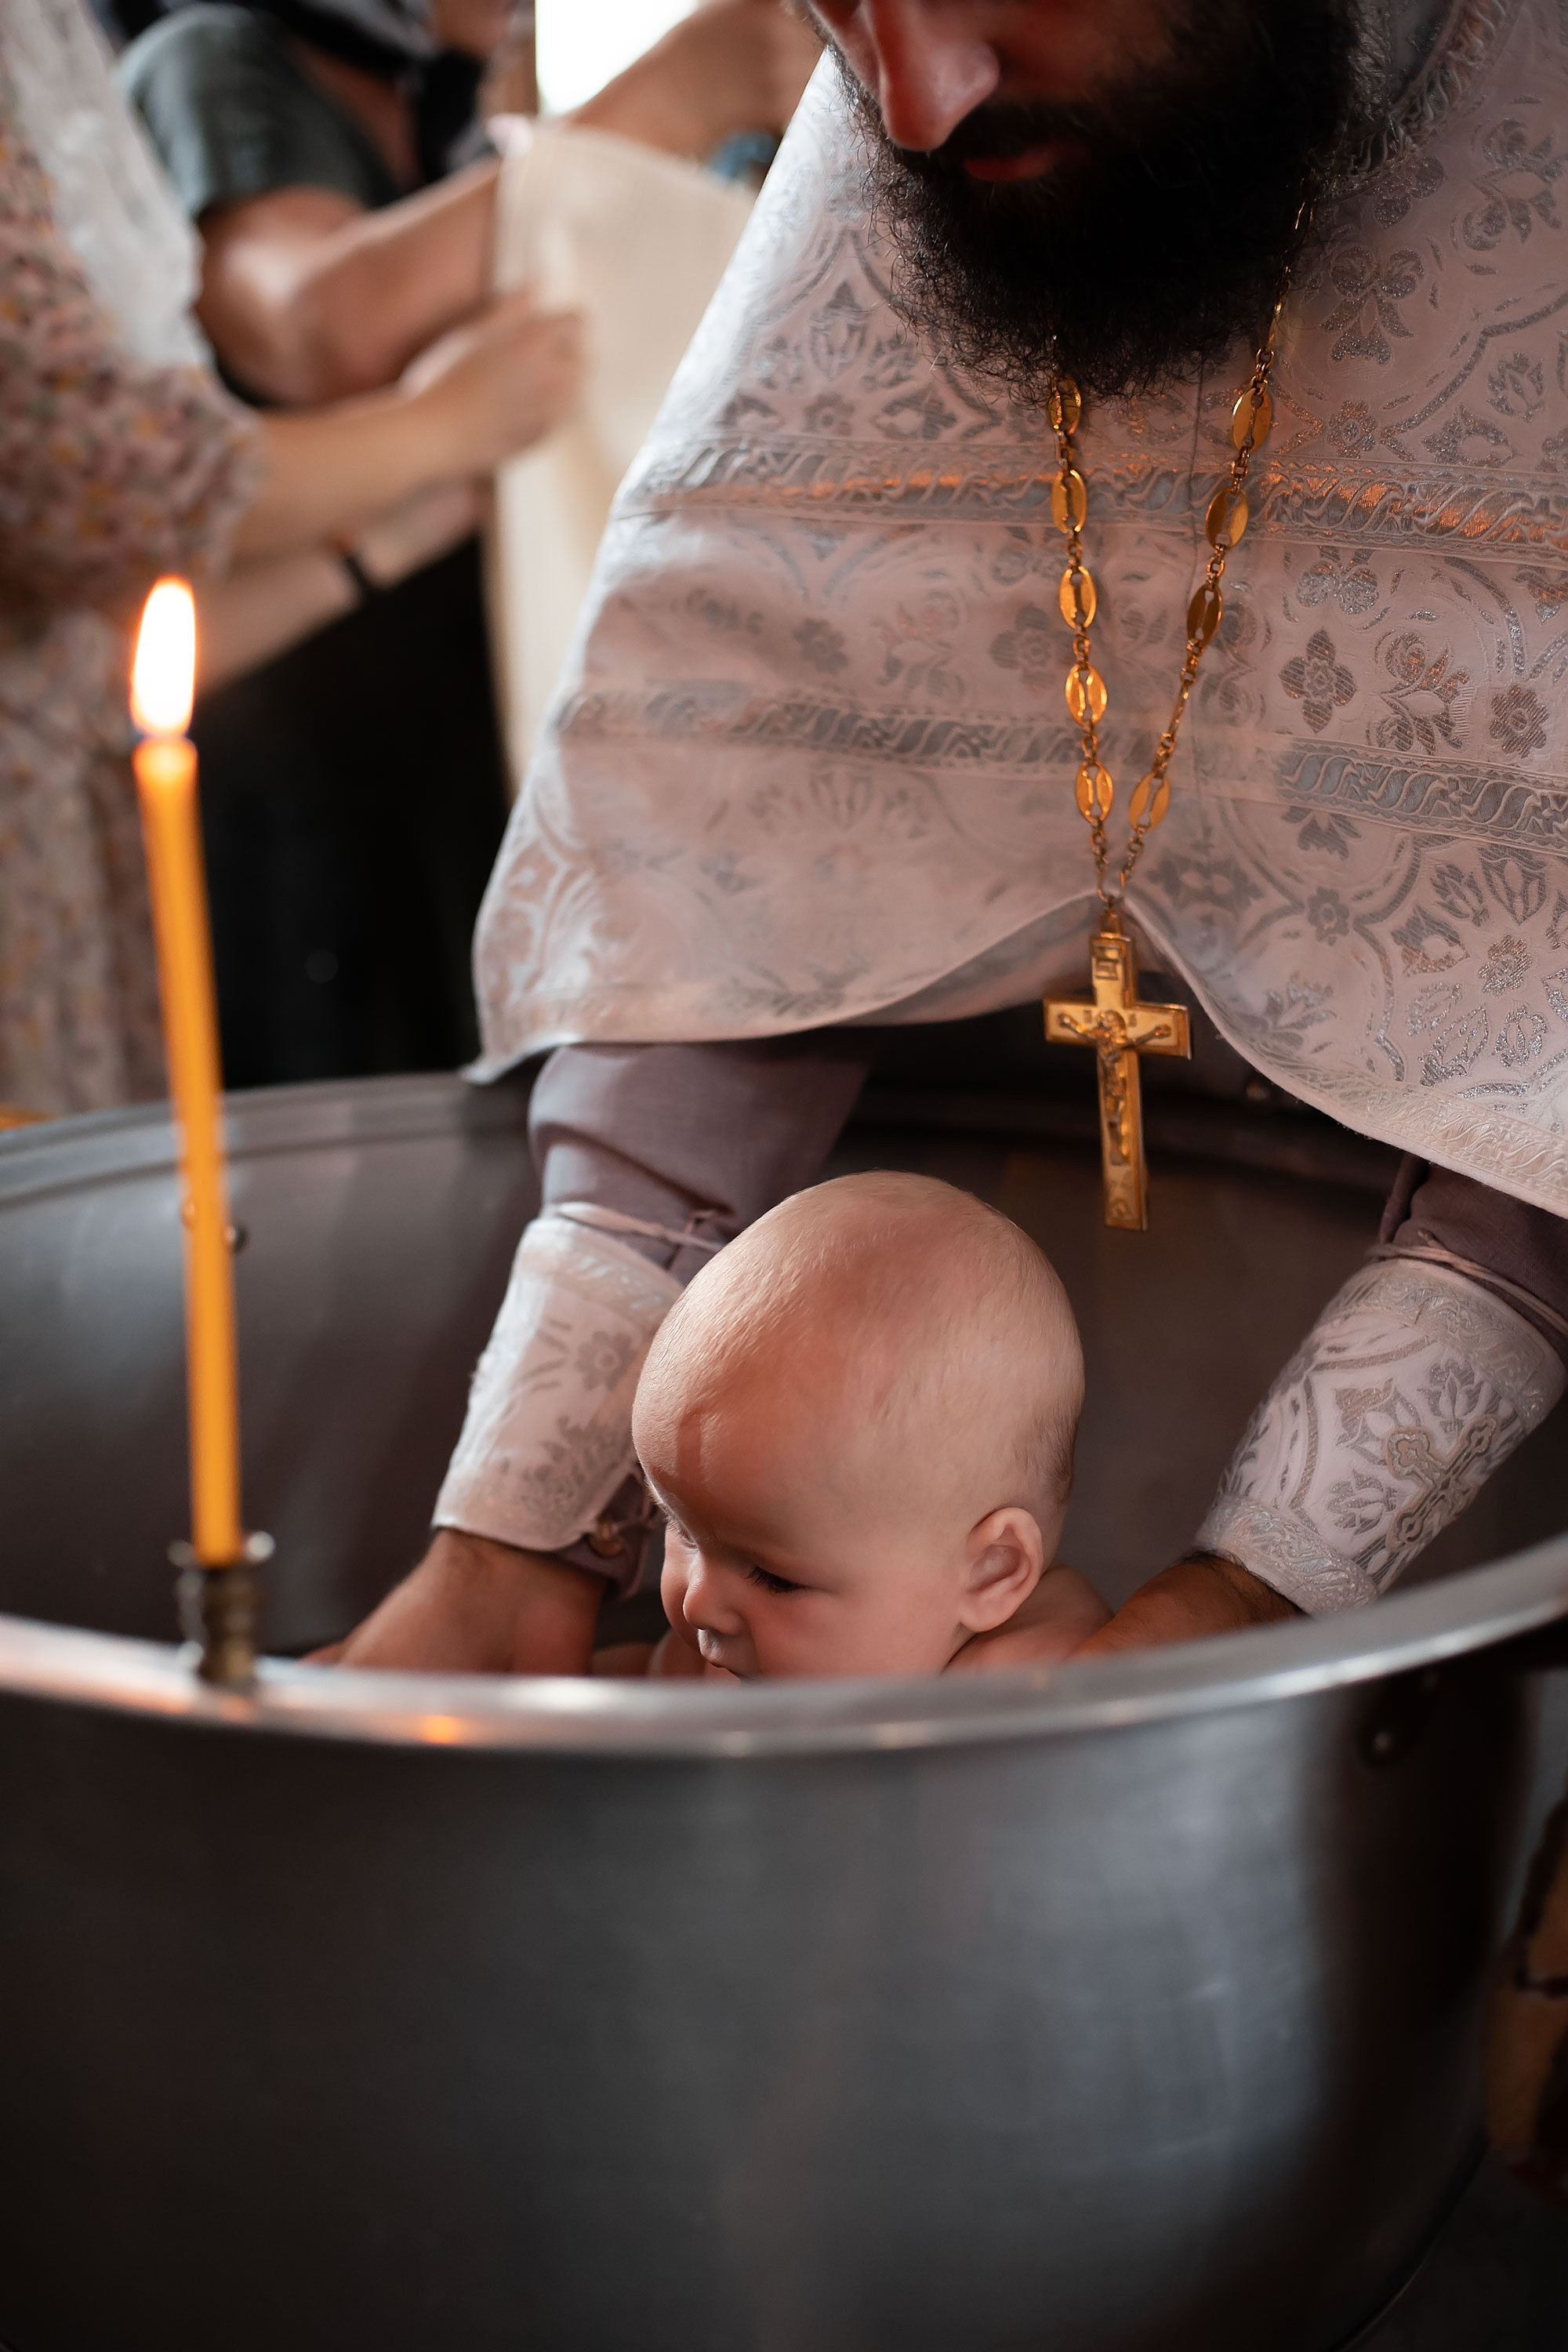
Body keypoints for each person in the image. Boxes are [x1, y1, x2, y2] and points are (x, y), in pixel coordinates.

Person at [335, 0, 1568, 1683]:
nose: (909, 106)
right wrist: (515, 1552)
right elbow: (725, 837)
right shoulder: (914, 131)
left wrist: (1239, 1602)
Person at [120, 0, 821, 1085]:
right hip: (304, 770)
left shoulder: (456, 111)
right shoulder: (218, 61)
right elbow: (314, 327)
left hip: (455, 761)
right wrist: (669, 98)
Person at [0, 0, 578, 1115]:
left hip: (178, 803)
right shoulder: (217, 65)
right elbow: (111, 468)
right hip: (269, 819)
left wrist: (425, 510)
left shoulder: (462, 106)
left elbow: (79, 659)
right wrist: (444, 425)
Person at [590, 1171, 1109, 1679]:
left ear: (988, 1574)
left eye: (774, 1579)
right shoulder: (732, 1653)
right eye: (682, 1529)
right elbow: (643, 1699)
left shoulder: (1037, 1687)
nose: (698, 1602)